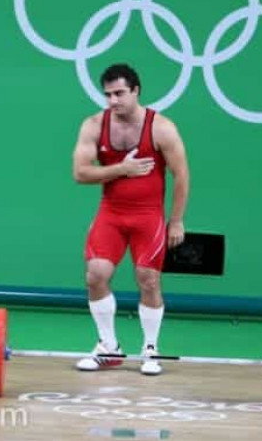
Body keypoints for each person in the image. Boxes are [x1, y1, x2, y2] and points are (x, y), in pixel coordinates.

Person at [72, 63, 189, 376]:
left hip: (148, 216)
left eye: (120, 93)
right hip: (111, 213)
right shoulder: (94, 125)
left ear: (136, 91)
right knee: (95, 276)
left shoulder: (161, 127)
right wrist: (121, 169)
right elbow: (80, 173)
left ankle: (150, 349)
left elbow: (181, 175)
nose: (113, 100)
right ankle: (108, 347)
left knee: (148, 279)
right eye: (108, 94)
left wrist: (176, 221)